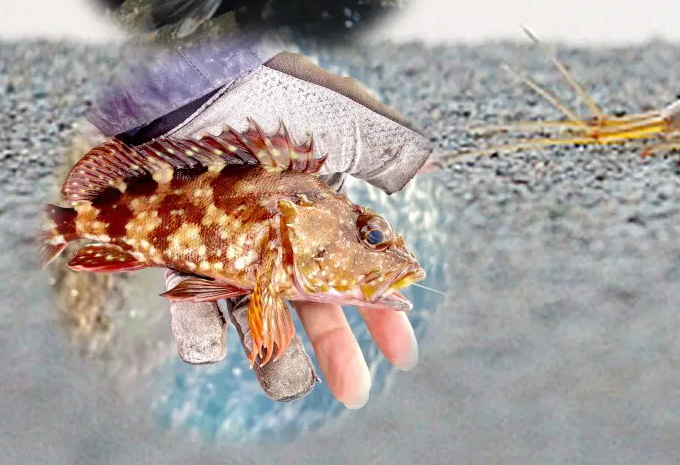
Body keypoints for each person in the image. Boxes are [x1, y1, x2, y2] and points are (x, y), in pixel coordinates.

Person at [84, 36, 435, 407]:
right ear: (296, 217)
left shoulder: (302, 206)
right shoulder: (297, 207)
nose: (379, 247)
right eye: (373, 236)